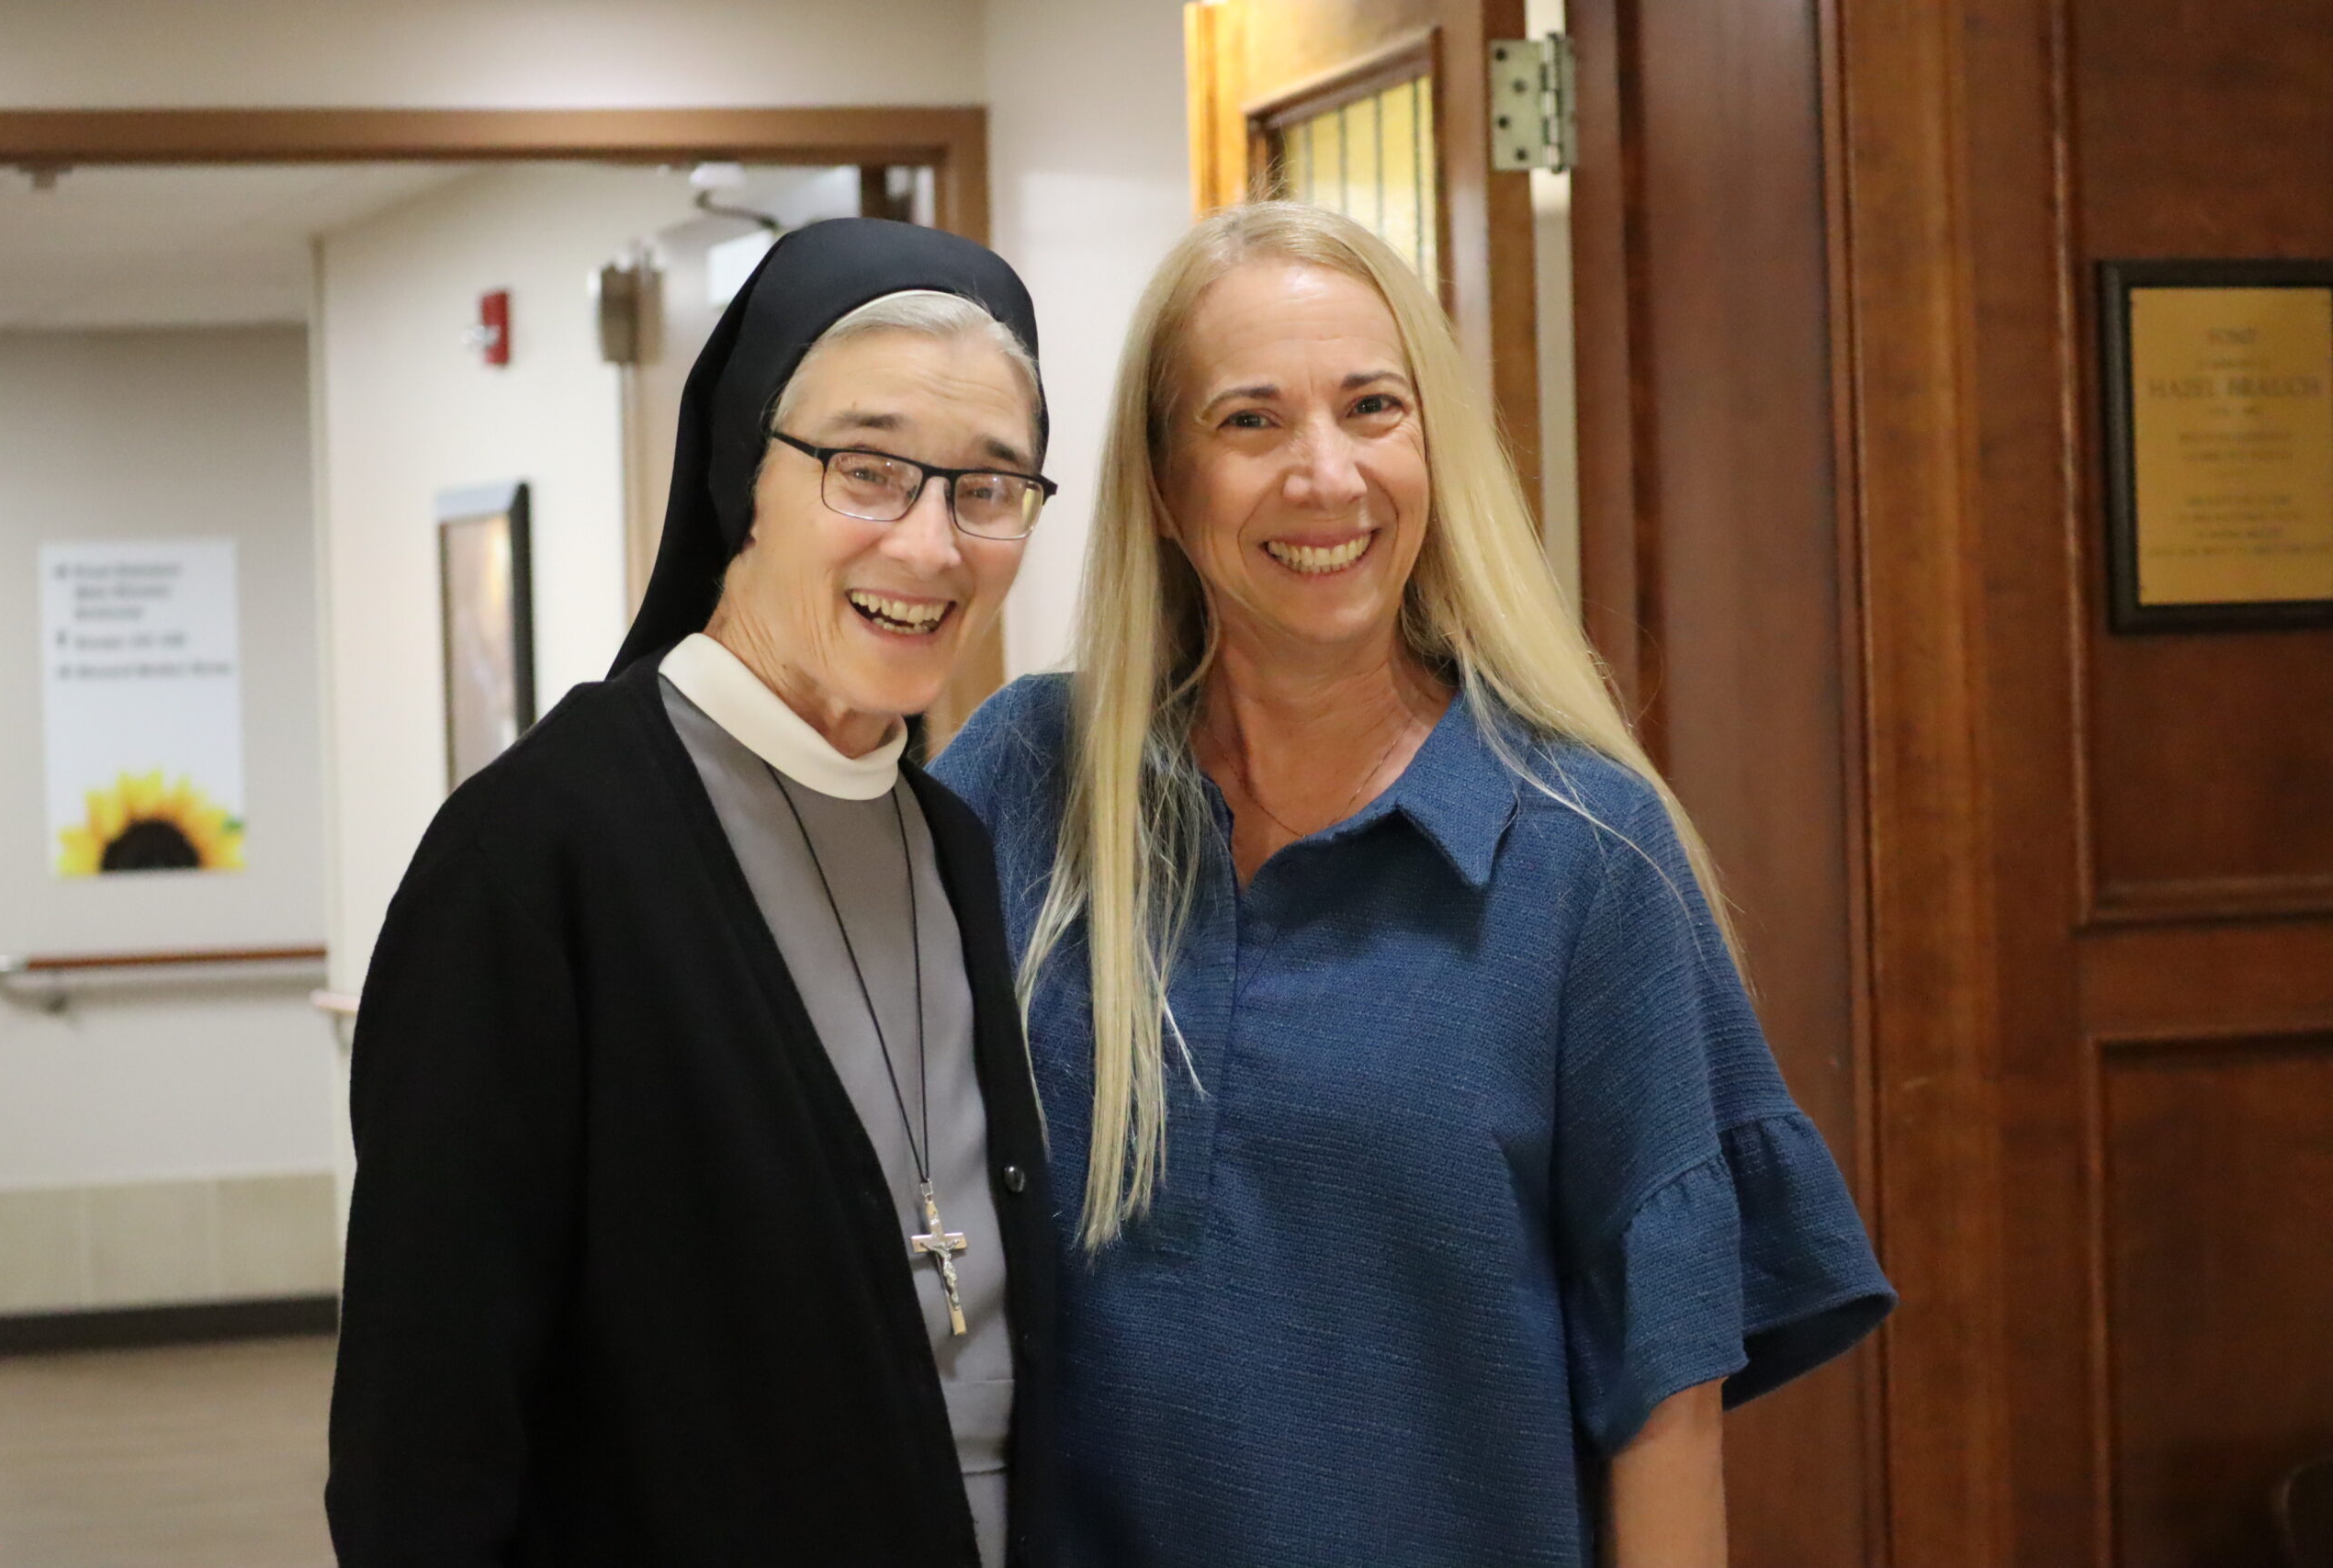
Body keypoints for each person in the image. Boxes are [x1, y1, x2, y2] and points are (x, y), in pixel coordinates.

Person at [932, 201, 1895, 1568]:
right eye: (1250, 422)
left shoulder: (1584, 851)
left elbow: (1664, 1405)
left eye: (1372, 407)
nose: (1325, 476)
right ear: (1162, 479)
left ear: (1432, 444)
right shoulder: (1025, 776)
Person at [327, 218, 1060, 1567]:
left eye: (988, 488)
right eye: (869, 469)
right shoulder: (536, 857)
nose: (931, 544)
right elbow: (420, 1450)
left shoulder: (956, 842)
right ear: (745, 474)